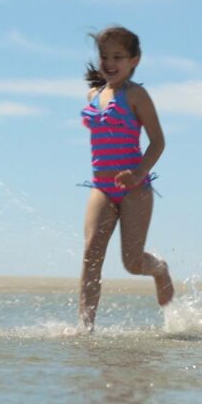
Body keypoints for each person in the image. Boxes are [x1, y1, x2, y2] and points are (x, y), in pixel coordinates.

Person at [79, 26, 174, 331]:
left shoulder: (136, 95)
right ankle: (85, 327)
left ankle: (159, 269)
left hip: (135, 189)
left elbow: (158, 141)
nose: (109, 62)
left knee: (132, 263)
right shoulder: (94, 94)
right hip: (102, 188)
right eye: (105, 56)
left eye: (118, 56)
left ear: (135, 60)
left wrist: (138, 173)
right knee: (91, 254)